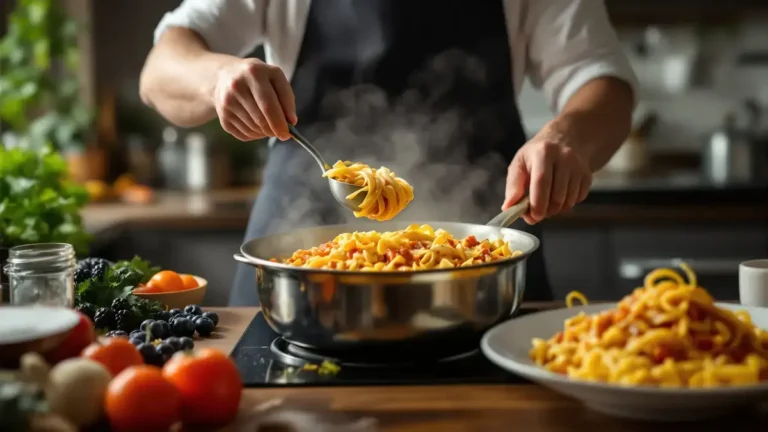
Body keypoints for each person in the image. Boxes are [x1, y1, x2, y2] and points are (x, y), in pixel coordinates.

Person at [140, 0, 636, 306]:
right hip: (298, 263)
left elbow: (603, 82)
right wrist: (217, 77)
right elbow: (161, 68)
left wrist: (566, 138)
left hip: (482, 244)